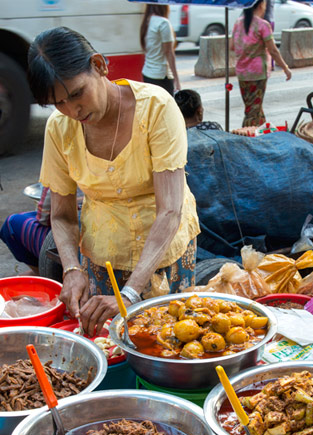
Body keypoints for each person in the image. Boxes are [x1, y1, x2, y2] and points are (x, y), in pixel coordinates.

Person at [28, 27, 201, 334]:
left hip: (163, 251)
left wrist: (130, 293)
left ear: (99, 65)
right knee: (110, 342)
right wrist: (71, 269)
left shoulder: (156, 107)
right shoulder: (59, 128)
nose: (72, 110)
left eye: (77, 93)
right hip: (103, 253)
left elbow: (170, 211)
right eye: (59, 103)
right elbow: (62, 215)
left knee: (171, 341)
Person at [231, 0, 292, 127]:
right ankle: (246, 138)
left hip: (242, 73)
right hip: (257, 74)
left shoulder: (238, 23)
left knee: (254, 107)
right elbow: (273, 51)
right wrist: (285, 68)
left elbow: (232, 46)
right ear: (260, 5)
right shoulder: (263, 25)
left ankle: (262, 132)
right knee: (252, 112)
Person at [140, 4, 180, 95]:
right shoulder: (163, 23)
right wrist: (177, 79)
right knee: (166, 108)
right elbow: (169, 52)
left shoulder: (147, 20)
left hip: (147, 73)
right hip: (161, 76)